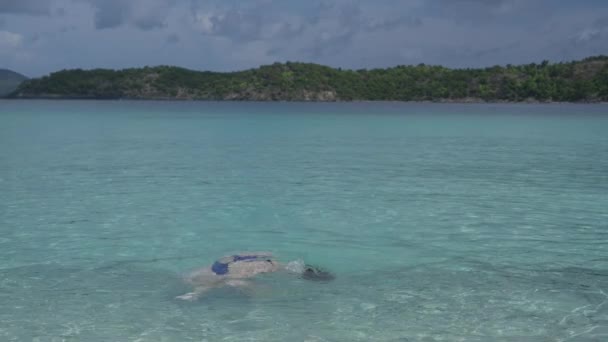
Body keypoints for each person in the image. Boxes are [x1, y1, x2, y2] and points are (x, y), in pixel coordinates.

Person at [176, 252, 334, 301]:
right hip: (263, 264)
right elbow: (232, 258)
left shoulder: (223, 272)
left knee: (236, 282)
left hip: (263, 264)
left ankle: (309, 273)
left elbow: (231, 258)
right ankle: (309, 273)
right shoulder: (223, 270)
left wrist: (195, 293)